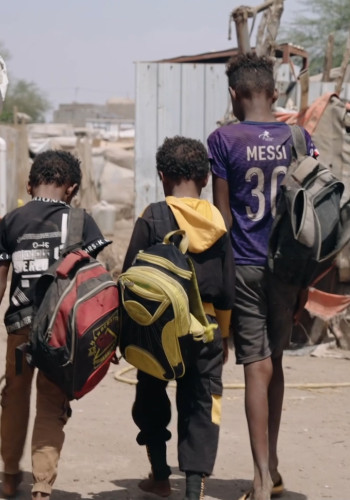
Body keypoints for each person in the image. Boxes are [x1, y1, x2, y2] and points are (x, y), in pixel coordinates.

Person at [207, 53, 318, 500]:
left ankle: (257, 477)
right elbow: (311, 213)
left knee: (256, 366)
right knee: (277, 361)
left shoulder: (222, 140)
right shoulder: (300, 137)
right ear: (274, 94)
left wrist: (217, 285)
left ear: (234, 95)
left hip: (246, 266)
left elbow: (221, 220)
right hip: (289, 268)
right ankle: (271, 466)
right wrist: (307, 279)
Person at [122, 136, 235, 500]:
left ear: (161, 176)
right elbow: (228, 288)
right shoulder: (218, 223)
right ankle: (192, 488)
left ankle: (158, 473)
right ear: (205, 178)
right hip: (208, 332)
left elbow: (129, 277)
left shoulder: (152, 216)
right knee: (202, 403)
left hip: (157, 331)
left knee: (151, 396)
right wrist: (226, 335)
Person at [0, 150, 111, 499]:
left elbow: (0, 284)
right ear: (72, 188)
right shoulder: (80, 222)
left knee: (14, 398)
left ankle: (7, 477)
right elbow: (95, 285)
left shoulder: (11, 221)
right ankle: (42, 487)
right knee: (51, 402)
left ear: (30, 184)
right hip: (60, 332)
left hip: (20, 327)